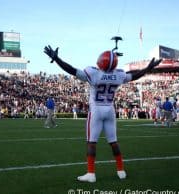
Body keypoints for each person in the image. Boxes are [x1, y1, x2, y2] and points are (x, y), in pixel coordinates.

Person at [44, 45, 162, 183]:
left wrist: (57, 59)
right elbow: (135, 75)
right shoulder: (118, 74)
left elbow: (71, 70)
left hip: (96, 110)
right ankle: (120, 170)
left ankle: (91, 173)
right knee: (113, 142)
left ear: (100, 61)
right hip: (110, 110)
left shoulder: (94, 73)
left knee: (91, 142)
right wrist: (148, 68)